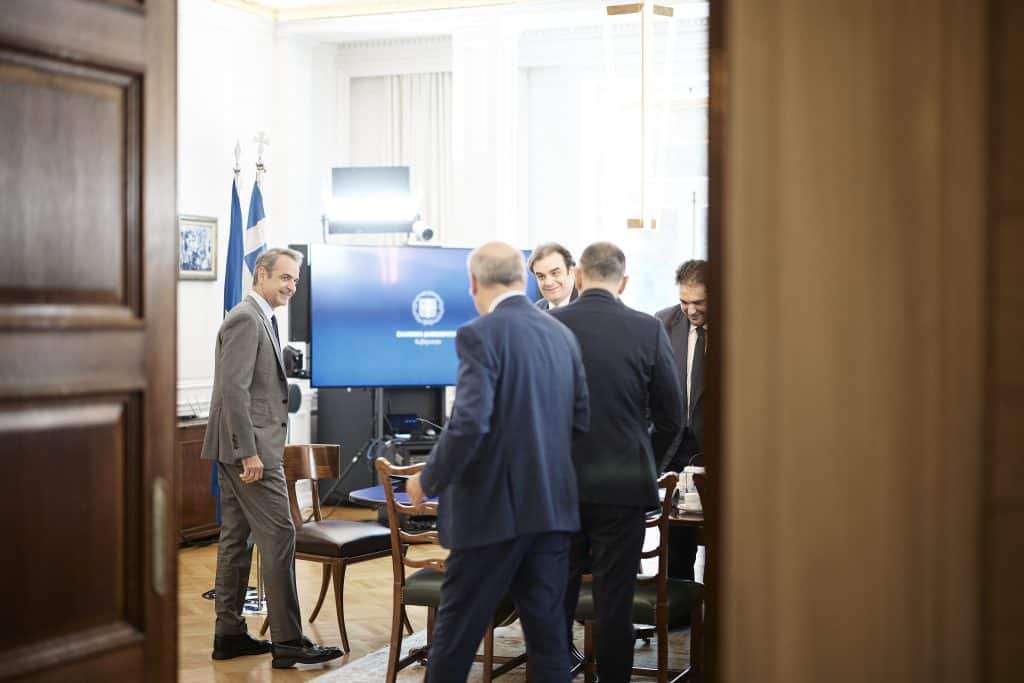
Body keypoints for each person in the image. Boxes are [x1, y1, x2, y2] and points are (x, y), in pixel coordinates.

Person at [406, 241, 589, 683]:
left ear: (473, 284)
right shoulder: (562, 334)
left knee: (454, 640)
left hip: (492, 515)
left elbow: (469, 423)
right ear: (524, 279)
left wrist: (428, 478)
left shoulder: (480, 334)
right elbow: (581, 419)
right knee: (549, 644)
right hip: (551, 510)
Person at [201, 247, 342, 668]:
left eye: (296, 279)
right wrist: (249, 453)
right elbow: (234, 391)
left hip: (240, 447)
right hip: (252, 452)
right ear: (260, 275)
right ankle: (289, 641)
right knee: (281, 536)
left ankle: (229, 634)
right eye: (284, 277)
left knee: (236, 541)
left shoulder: (263, 317)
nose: (292, 286)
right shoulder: (247, 318)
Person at [551, 242, 683, 683]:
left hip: (560, 486)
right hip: (623, 487)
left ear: (578, 276)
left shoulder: (549, 326)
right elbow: (672, 416)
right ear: (623, 282)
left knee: (554, 599)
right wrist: (645, 461)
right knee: (615, 602)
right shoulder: (648, 329)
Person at [655, 259, 708, 581]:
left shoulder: (740, 324)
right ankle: (682, 600)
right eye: (684, 302)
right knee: (677, 544)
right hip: (674, 445)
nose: (691, 310)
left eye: (699, 302)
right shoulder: (662, 323)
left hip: (716, 446)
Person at [528, 242, 579, 310]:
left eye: (555, 273)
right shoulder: (535, 310)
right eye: (541, 276)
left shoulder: (589, 307)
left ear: (571, 272)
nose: (548, 283)